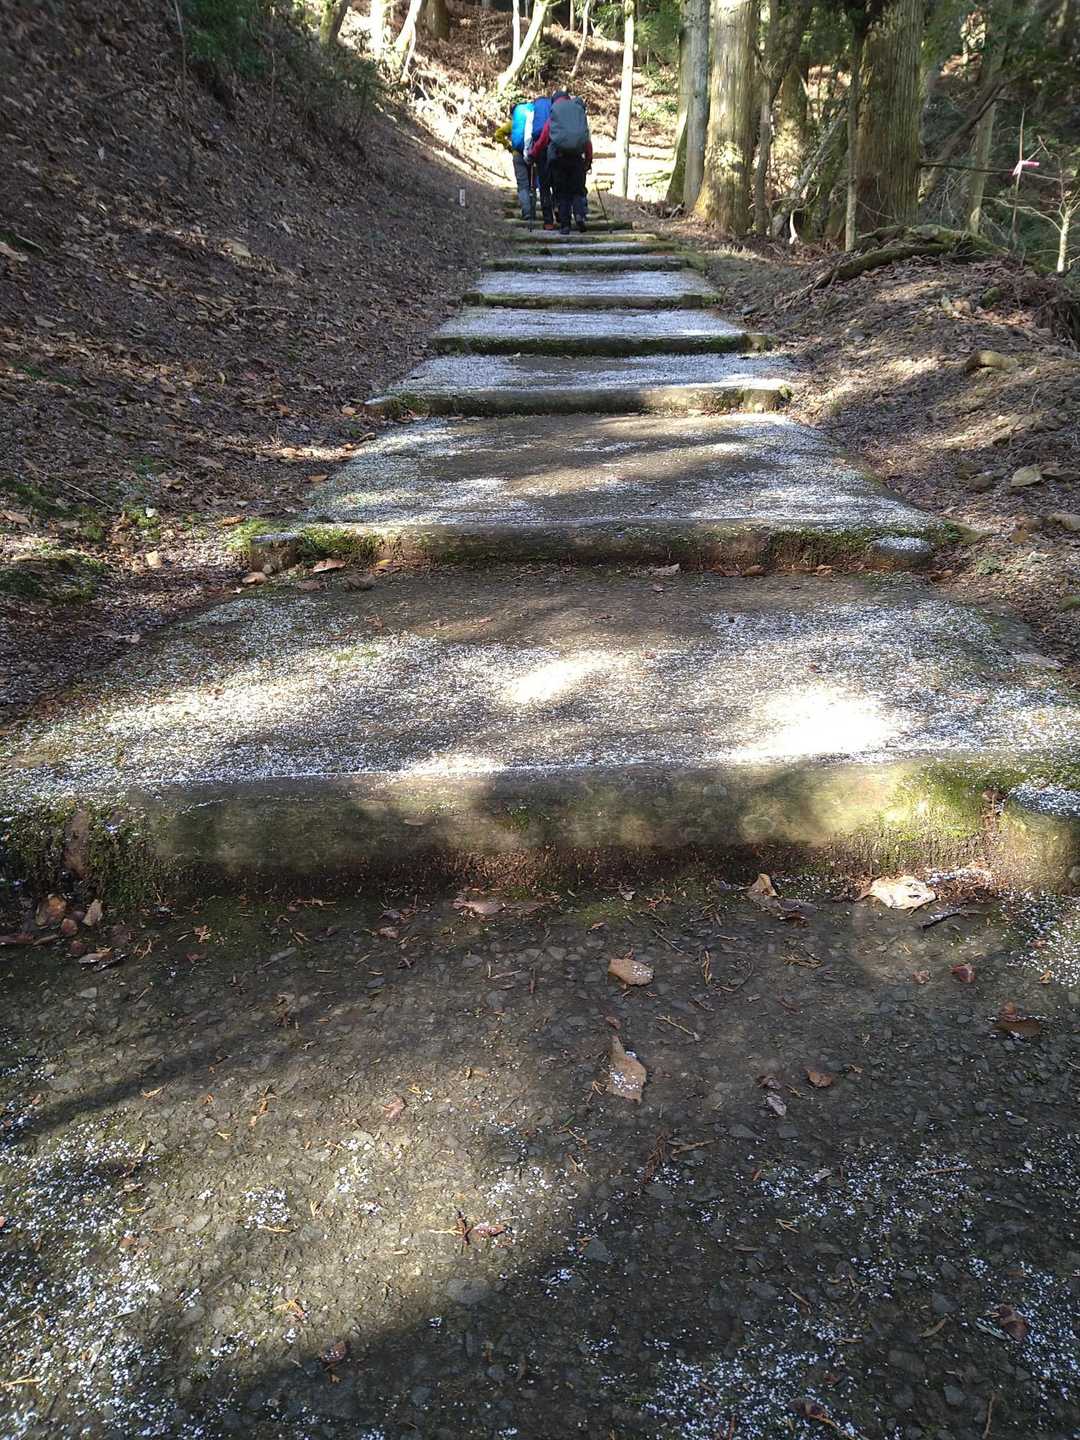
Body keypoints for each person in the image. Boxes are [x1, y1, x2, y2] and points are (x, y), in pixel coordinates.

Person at [527, 90, 593, 236]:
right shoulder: (578, 112)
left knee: (562, 193)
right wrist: (588, 160)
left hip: (559, 159)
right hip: (577, 159)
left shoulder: (555, 113)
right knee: (577, 191)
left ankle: (565, 226)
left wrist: (533, 154)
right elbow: (587, 140)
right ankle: (579, 215)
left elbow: (543, 139)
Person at [495, 99, 537, 222]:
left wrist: (508, 146)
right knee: (532, 184)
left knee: (523, 185)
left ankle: (526, 212)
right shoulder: (534, 121)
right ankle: (533, 212)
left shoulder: (513, 123)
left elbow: (498, 134)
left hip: (517, 154)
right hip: (532, 154)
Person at [524, 93, 555, 230]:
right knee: (557, 181)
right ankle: (560, 213)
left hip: (540, 149)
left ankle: (548, 221)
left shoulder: (533, 109)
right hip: (555, 146)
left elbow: (528, 133)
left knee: (544, 186)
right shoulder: (554, 107)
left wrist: (528, 153)